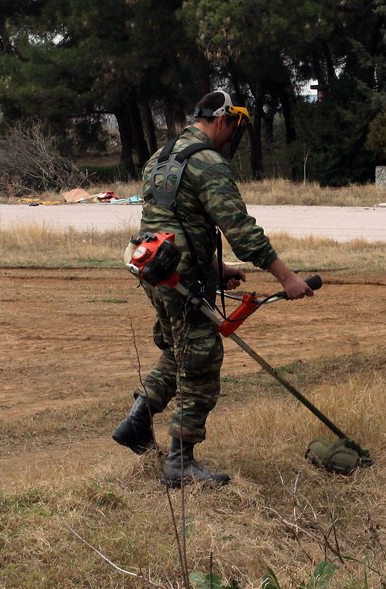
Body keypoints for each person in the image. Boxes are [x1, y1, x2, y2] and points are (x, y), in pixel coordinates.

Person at [113, 90, 313, 488]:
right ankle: (180, 462)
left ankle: (138, 418)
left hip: (155, 271)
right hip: (180, 278)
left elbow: (169, 221)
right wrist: (287, 278)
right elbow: (243, 233)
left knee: (179, 349)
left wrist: (216, 268)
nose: (233, 138)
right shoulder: (208, 163)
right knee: (201, 361)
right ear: (222, 120)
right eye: (235, 127)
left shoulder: (161, 158)